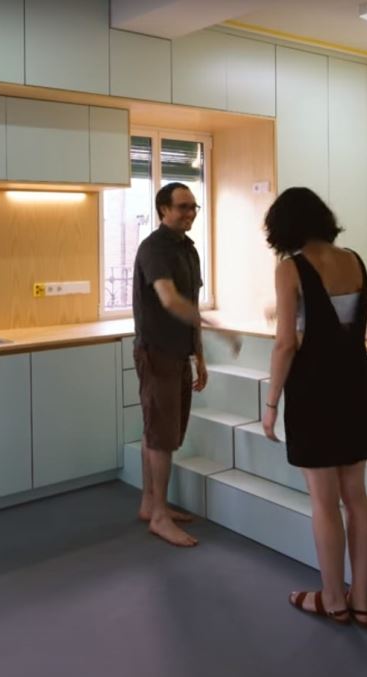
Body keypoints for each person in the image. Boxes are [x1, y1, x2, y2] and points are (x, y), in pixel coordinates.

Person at [261, 187, 367, 627]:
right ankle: (361, 600)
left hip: (313, 393)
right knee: (357, 497)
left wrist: (271, 403)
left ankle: (332, 598)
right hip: (357, 388)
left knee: (324, 502)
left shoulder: (291, 268)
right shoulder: (355, 261)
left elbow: (285, 344)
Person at [133, 182, 238, 547]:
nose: (190, 213)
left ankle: (150, 503)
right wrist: (219, 328)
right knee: (161, 437)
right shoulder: (154, 248)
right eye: (183, 207)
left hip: (178, 352)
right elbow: (169, 299)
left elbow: (188, 302)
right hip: (157, 352)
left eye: (194, 207)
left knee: (158, 432)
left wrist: (200, 355)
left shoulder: (188, 249)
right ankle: (160, 516)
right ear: (163, 209)